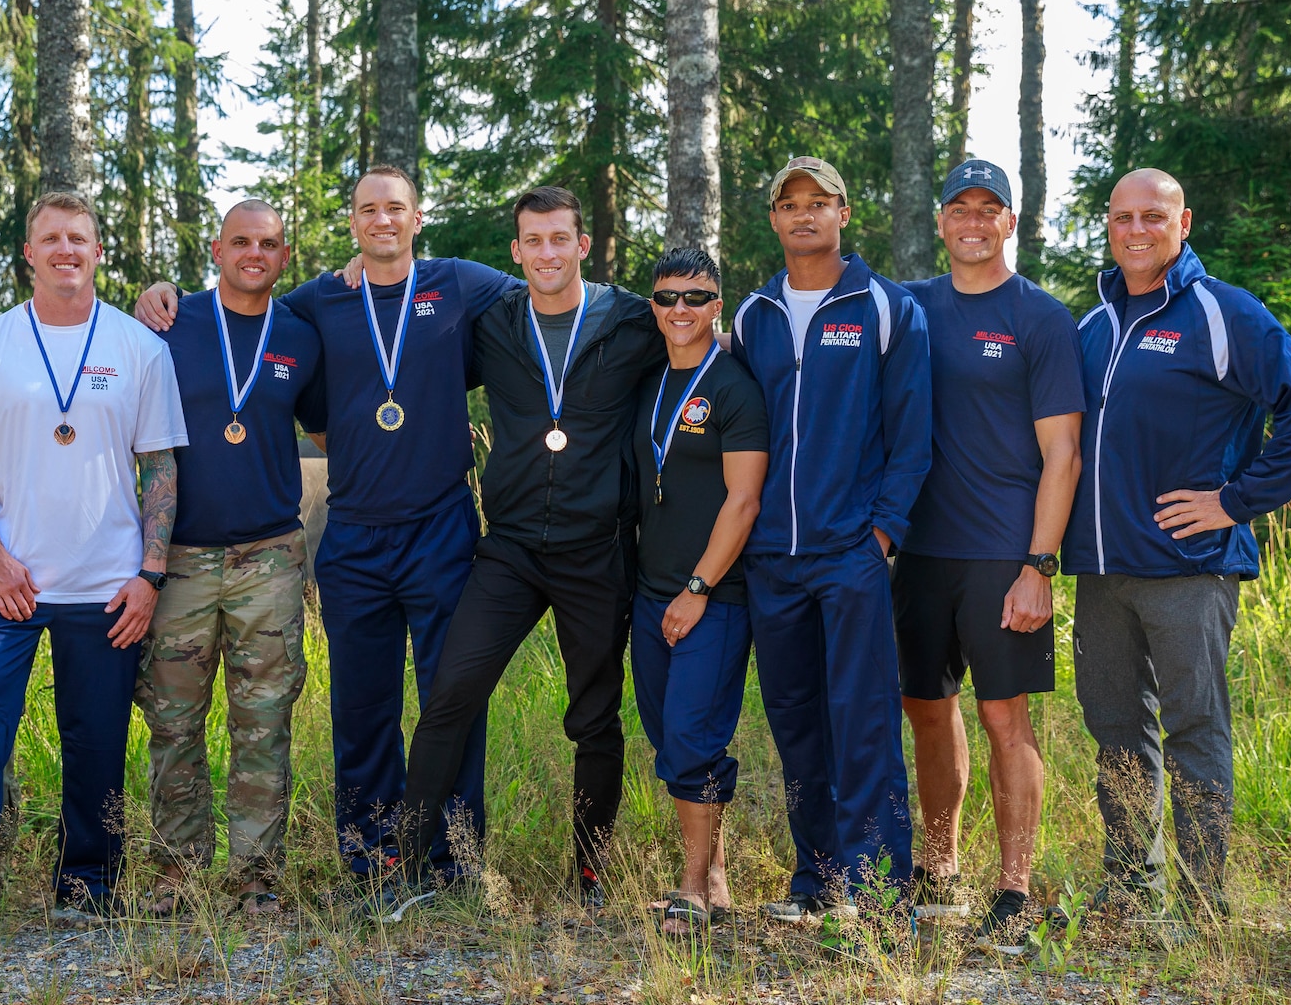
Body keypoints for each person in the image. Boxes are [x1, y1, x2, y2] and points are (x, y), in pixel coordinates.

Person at [136, 166, 519, 884]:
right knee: (363, 708)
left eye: (395, 208)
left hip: (441, 529)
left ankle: (454, 856)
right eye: (368, 209)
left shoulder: (458, 283)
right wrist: (153, 293)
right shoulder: (317, 302)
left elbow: (550, 292)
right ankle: (374, 858)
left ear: (417, 216)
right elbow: (298, 396)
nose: (382, 220)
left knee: (453, 697)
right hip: (354, 536)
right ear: (351, 225)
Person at [375, 186, 666, 920]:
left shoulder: (630, 320)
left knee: (594, 717)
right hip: (508, 550)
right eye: (532, 241)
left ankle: (591, 882)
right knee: (449, 694)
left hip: (596, 551)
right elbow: (407, 317)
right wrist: (360, 263)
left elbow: (700, 343)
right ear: (516, 251)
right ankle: (408, 868)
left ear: (582, 245)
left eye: (558, 239)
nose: (546, 253)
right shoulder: (494, 322)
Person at [1065, 168, 1291, 925]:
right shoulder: (1091, 327)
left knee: (1193, 727)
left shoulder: (1222, 313)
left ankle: (1200, 903)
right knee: (1117, 731)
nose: (1136, 231)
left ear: (1183, 223)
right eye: (1122, 217)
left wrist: (1234, 500)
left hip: (1188, 569)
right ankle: (1129, 887)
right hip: (1099, 572)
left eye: (1152, 217)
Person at [0, 192, 187, 941]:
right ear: (29, 254)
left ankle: (90, 887)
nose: (65, 248)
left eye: (79, 237)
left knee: (97, 738)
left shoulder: (141, 347)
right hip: (0, 581)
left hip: (106, 584)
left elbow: (160, 469)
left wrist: (150, 574)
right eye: (51, 238)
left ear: (97, 251)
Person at [729, 157, 931, 924]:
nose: (804, 214)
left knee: (865, 718)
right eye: (789, 203)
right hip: (772, 560)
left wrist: (880, 535)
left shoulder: (885, 307)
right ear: (774, 219)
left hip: (851, 553)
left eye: (819, 202)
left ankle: (879, 892)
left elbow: (913, 437)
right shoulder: (754, 317)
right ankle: (817, 883)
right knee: (796, 720)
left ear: (845, 212)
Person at [896, 161, 1083, 946]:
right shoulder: (909, 305)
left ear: (1011, 222)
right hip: (918, 552)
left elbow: (1064, 453)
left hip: (1004, 552)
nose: (973, 221)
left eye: (989, 209)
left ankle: (1014, 886)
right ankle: (938, 869)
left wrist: (1038, 566)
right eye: (959, 208)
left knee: (1005, 716)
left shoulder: (1039, 316)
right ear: (940, 221)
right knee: (927, 713)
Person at [135, 200, 326, 917]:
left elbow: (330, 431)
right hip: (180, 558)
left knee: (264, 719)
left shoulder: (301, 338)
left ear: (284, 254)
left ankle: (256, 873)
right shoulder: (169, 323)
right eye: (241, 241)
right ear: (216, 249)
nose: (255, 252)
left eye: (269, 243)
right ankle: (175, 872)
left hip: (269, 557)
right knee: (173, 719)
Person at [628, 247, 768, 936]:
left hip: (714, 594)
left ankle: (689, 885)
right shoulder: (651, 381)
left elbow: (743, 501)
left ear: (719, 305)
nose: (679, 309)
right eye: (666, 298)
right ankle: (714, 876)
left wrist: (698, 587)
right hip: (650, 592)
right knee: (666, 735)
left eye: (694, 296)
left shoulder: (735, 387)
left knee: (691, 735)